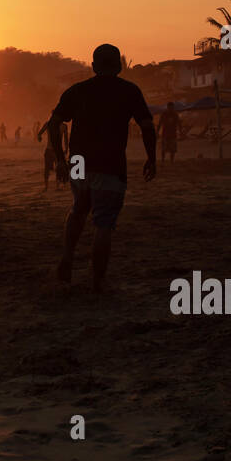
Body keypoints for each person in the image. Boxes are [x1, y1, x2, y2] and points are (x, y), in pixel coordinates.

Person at [48, 43, 156, 293]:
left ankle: (67, 258)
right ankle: (97, 281)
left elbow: (53, 124)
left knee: (78, 209)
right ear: (119, 66)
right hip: (110, 163)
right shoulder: (129, 91)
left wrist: (61, 160)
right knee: (104, 223)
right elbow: (147, 127)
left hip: (78, 162)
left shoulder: (77, 91)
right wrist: (152, 158)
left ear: (94, 66)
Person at [37, 120, 69, 189]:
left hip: (50, 150)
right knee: (57, 168)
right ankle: (56, 186)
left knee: (48, 168)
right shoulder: (63, 126)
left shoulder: (48, 124)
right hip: (57, 151)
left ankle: (47, 186)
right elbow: (66, 139)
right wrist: (66, 149)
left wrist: (39, 137)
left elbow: (39, 133)